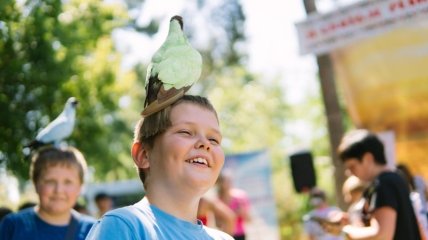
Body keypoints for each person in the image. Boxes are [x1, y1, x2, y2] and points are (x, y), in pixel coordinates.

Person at [85, 95, 233, 239]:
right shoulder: (124, 226)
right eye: (185, 132)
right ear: (144, 155)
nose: (205, 144)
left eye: (213, 139)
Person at [335, 129, 421, 240]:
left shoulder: (383, 184)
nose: (349, 173)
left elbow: (382, 235)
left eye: (352, 166)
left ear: (368, 159)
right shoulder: (395, 178)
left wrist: (347, 230)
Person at [0, 146, 95, 240]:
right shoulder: (12, 226)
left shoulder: (93, 230)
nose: (59, 190)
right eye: (50, 181)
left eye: (68, 182)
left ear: (80, 187)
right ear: (35, 183)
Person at [217, 170, 251, 240]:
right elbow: (218, 224)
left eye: (229, 181)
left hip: (240, 235)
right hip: (225, 235)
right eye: (225, 181)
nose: (228, 183)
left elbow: (249, 219)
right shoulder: (217, 200)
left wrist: (242, 213)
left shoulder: (240, 196)